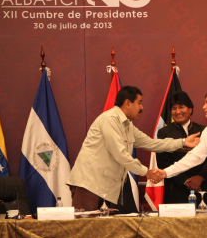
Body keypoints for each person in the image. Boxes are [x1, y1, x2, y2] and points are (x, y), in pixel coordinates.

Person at [66, 86, 200, 211]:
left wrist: (183, 142)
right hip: (89, 184)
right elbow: (120, 154)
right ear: (128, 103)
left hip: (103, 187)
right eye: (139, 103)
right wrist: (146, 172)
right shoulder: (110, 120)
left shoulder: (127, 124)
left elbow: (151, 143)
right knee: (87, 231)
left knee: (99, 232)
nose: (142, 107)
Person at [156, 91, 207, 207]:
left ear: (190, 109)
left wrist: (200, 177)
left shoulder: (204, 130)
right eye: (174, 108)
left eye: (181, 107)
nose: (177, 112)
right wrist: (186, 181)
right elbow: (163, 162)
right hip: (175, 190)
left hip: (201, 189)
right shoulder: (164, 133)